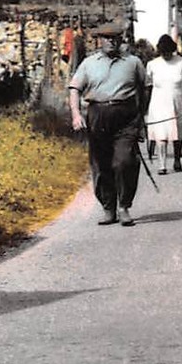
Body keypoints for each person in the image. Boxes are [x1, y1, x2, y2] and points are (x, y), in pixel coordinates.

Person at [68, 22, 150, 227]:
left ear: (121, 40)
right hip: (97, 116)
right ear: (100, 41)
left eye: (115, 38)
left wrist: (142, 116)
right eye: (106, 38)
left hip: (126, 117)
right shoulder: (88, 63)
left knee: (124, 162)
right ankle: (108, 208)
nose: (111, 42)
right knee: (101, 164)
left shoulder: (133, 62)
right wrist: (76, 114)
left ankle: (124, 206)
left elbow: (146, 88)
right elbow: (74, 89)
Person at [144, 34, 182, 174]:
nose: (166, 55)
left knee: (177, 132)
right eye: (163, 52)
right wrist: (145, 108)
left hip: (179, 100)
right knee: (161, 133)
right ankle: (162, 164)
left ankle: (177, 159)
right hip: (159, 102)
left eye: (168, 52)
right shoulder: (152, 65)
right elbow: (147, 86)